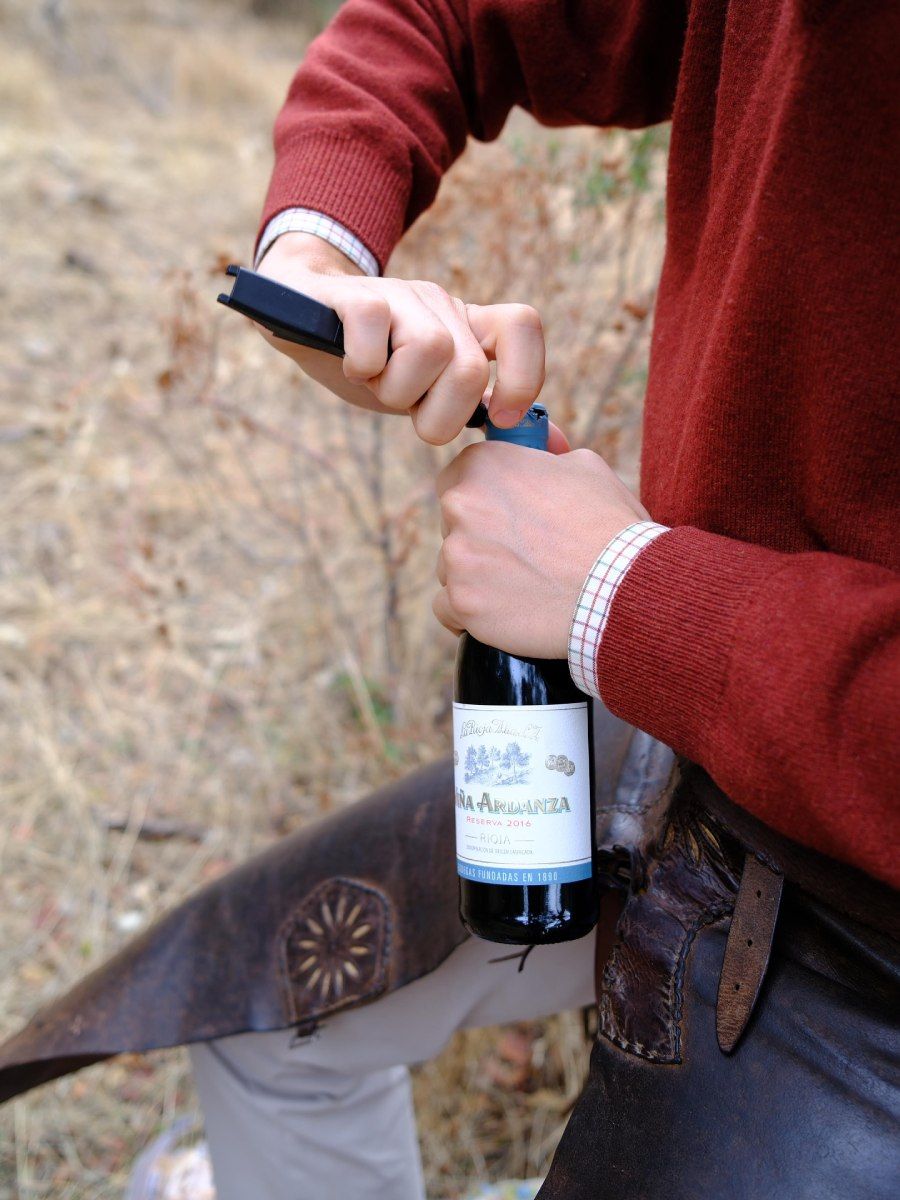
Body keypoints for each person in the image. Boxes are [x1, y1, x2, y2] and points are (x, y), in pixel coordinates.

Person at [0, 2, 897, 1197]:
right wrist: (319, 257)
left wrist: (621, 591)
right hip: (705, 731)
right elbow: (446, 18)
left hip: (864, 929)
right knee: (267, 1002)